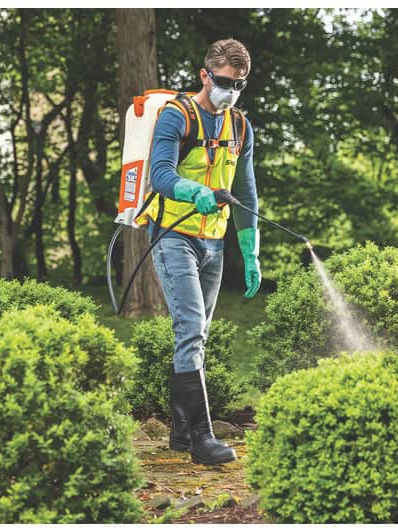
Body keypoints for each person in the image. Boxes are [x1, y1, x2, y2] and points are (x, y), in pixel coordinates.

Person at [144, 39, 260, 465]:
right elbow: (160, 175)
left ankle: (179, 431)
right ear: (204, 76)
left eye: (240, 84)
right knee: (191, 329)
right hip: (173, 235)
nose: (231, 91)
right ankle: (202, 439)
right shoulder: (177, 116)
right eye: (226, 82)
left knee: (195, 335)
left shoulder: (240, 127)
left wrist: (251, 250)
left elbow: (247, 189)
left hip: (214, 243)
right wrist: (196, 192)